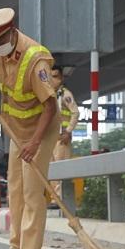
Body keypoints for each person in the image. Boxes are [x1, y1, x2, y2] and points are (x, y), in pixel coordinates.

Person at [0, 7, 58, 249]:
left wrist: (34, 143)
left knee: (33, 192)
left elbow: (50, 107)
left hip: (40, 131)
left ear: (11, 33)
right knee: (16, 190)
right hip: (16, 130)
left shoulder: (35, 59)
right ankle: (16, 247)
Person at [49, 65, 79, 203]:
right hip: (51, 139)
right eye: (51, 77)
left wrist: (68, 131)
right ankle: (54, 199)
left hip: (62, 139)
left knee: (61, 170)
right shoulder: (51, 94)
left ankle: (60, 200)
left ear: (61, 78)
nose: (53, 80)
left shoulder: (65, 94)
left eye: (55, 76)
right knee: (52, 170)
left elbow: (75, 113)